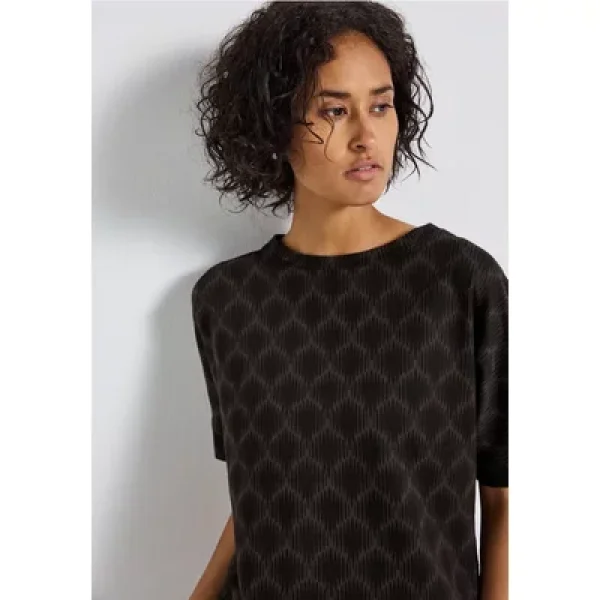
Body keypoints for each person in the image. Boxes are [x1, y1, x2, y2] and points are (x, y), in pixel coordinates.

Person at [189, 2, 508, 599]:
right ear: (272, 125)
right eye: (334, 111)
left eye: (380, 106)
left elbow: (506, 498)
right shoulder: (225, 301)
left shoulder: (460, 282)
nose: (366, 136)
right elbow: (260, 500)